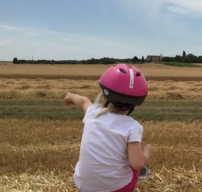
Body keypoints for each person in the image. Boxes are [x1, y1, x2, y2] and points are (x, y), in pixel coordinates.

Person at [64, 63, 153, 192]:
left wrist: (69, 96)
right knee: (137, 162)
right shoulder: (133, 127)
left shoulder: (93, 112)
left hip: (84, 185)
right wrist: (147, 152)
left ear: (105, 95)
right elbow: (137, 163)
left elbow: (83, 100)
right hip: (116, 188)